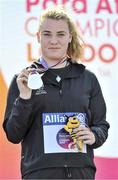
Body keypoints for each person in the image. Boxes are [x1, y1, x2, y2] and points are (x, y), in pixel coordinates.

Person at [3, 7, 110, 179]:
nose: (54, 41)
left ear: (69, 37)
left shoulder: (88, 79)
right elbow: (13, 135)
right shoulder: (23, 80)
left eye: (60, 34)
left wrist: (93, 134)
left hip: (81, 174)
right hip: (39, 175)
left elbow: (101, 125)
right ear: (38, 37)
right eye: (47, 34)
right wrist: (24, 97)